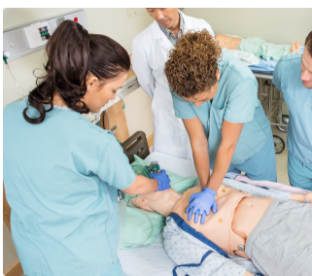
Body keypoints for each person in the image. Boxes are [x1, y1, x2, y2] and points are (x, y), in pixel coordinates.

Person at [2, 21, 171, 276]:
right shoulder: (93, 141)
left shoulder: (9, 115)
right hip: (82, 263)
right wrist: (158, 183)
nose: (113, 97)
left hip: (34, 255)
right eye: (113, 89)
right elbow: (134, 186)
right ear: (91, 82)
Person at [164, 30, 277, 224]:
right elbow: (198, 142)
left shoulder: (241, 81)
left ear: (216, 75)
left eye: (203, 99)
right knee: (226, 198)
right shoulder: (179, 85)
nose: (197, 106)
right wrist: (206, 188)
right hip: (216, 152)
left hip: (253, 147)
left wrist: (210, 191)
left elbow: (228, 144)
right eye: (191, 102)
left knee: (265, 202)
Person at [129, 184, 312, 276]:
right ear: (141, 200)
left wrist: (300, 197)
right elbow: (213, 266)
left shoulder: (201, 181)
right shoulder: (174, 234)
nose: (154, 172)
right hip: (271, 242)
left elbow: (251, 190)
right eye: (141, 177)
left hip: (289, 210)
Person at [132, 7, 215, 160]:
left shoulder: (201, 27)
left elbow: (211, 71)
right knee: (174, 171)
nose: (159, 15)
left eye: (163, 8)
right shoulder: (141, 43)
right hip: (170, 118)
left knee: (206, 164)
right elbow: (148, 85)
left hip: (202, 112)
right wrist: (173, 99)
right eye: (151, 10)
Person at [273, 31, 312, 190]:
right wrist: (294, 61)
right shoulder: (286, 67)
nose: (303, 76)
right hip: (299, 162)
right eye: (303, 63)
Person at [215, 34, 301, 60]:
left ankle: (286, 51)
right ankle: (286, 52)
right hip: (243, 45)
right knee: (263, 48)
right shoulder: (211, 41)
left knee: (264, 46)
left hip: (244, 43)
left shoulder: (211, 37)